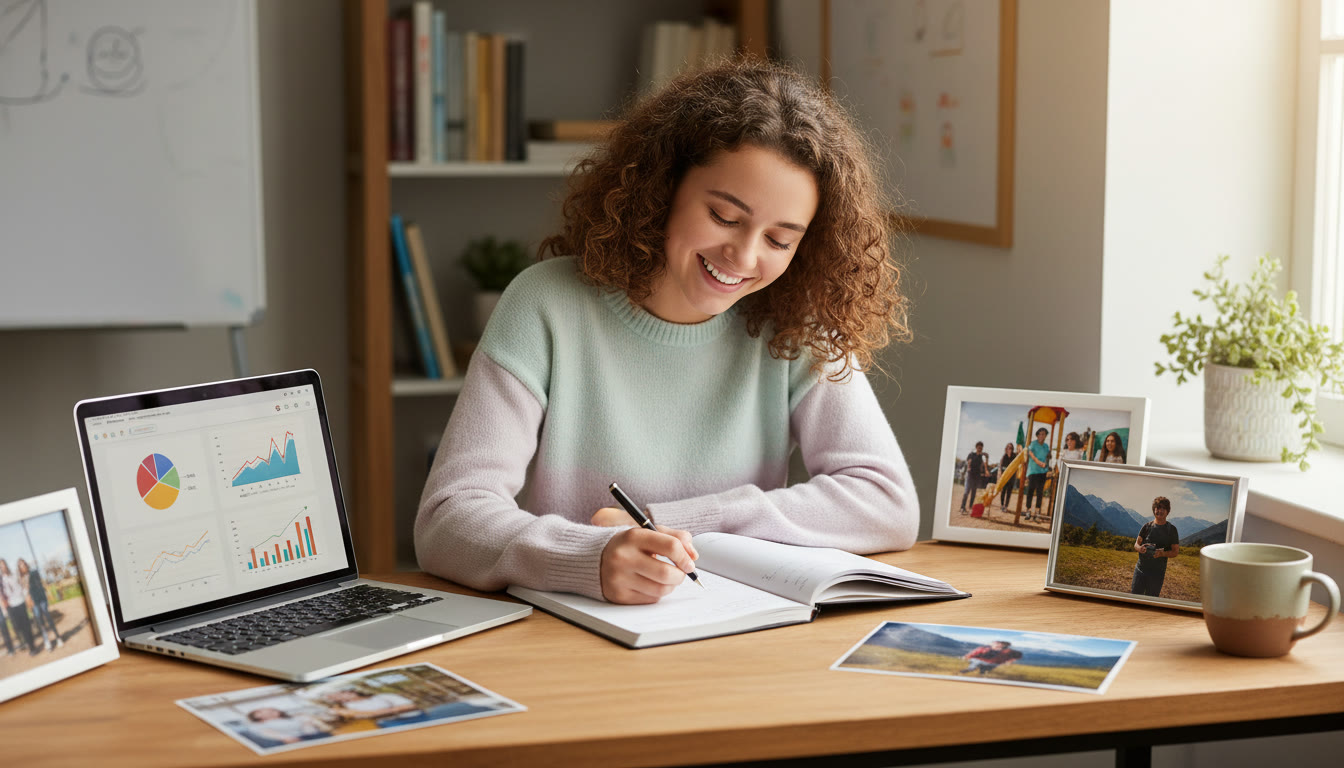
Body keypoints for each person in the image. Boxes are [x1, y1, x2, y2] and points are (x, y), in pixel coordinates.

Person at [414, 59, 919, 605]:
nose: (744, 256)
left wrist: (674, 522)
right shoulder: (546, 305)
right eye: (725, 216)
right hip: (578, 633)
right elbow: (448, 518)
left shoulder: (795, 322)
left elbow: (886, 502)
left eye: (779, 240)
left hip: (737, 627)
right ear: (663, 186)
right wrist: (591, 556)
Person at [1131, 496, 1180, 597]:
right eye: (1158, 507)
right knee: (1135, 598)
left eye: (1163, 508)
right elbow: (1136, 544)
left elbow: (1175, 552)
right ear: (1154, 510)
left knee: (1151, 600)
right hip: (1140, 570)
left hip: (1157, 574)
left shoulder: (1171, 530)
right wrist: (1139, 548)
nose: (1160, 511)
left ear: (1167, 511)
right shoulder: (1147, 526)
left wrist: (1162, 553)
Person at [18, 559, 61, 651]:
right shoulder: (21, 579)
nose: (23, 566)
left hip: (41, 599)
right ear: (20, 568)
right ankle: (47, 641)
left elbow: (40, 585)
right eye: (21, 566)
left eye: (24, 564)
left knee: (48, 617)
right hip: (33, 602)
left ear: (26, 564)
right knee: (40, 621)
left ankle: (58, 637)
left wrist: (47, 594)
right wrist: (28, 602)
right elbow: (24, 592)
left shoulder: (34, 573)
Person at [243, 707, 332, 746]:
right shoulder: (259, 725)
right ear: (258, 717)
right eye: (260, 712)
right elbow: (264, 732)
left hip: (313, 734)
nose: (268, 710)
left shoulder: (291, 718)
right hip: (298, 740)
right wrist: (285, 737)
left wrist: (308, 724)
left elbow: (309, 726)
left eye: (272, 710)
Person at [0, 559, 33, 654]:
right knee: (18, 626)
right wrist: (5, 605)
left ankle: (31, 646)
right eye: (1, 566)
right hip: (12, 605)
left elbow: (21, 584)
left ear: (6, 565)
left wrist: (25, 595)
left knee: (26, 624)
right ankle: (27, 641)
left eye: (3, 565)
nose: (3, 567)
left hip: (20, 602)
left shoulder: (14, 574)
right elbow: (2, 593)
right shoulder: (1, 580)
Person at [1022, 428, 1051, 522]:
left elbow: (1047, 457)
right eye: (1040, 434)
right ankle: (1028, 511)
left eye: (1044, 434)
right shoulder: (1033, 444)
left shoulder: (1046, 446)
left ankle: (1037, 512)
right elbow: (1031, 454)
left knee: (1040, 492)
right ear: (1037, 435)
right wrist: (1039, 463)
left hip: (1043, 472)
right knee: (1030, 490)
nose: (1042, 436)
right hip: (1033, 471)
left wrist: (1046, 463)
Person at [958, 640, 1022, 675]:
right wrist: (966, 657)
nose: (999, 646)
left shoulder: (1008, 652)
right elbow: (973, 653)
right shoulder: (984, 649)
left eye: (1000, 645)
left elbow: (1018, 655)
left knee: (984, 670)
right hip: (982, 661)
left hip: (992, 663)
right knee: (975, 664)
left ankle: (981, 673)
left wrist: (1011, 660)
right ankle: (969, 670)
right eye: (997, 644)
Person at [958, 441, 989, 515]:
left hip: (977, 476)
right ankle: (962, 507)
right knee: (966, 492)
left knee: (973, 493)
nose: (980, 449)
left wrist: (986, 459)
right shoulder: (971, 454)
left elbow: (985, 464)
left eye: (981, 448)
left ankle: (970, 507)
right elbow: (969, 461)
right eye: (978, 447)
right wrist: (969, 466)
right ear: (976, 447)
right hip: (970, 475)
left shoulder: (982, 457)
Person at [997, 443, 1018, 510]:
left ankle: (1006, 506)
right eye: (1008, 447)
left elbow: (1016, 465)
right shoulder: (1004, 456)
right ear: (1006, 449)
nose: (1010, 449)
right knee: (1003, 491)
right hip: (1005, 476)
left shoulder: (1014, 456)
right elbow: (1000, 466)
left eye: (1011, 448)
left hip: (1012, 476)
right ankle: (1002, 505)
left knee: (1009, 492)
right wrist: (1000, 474)